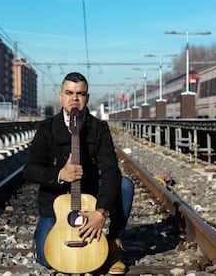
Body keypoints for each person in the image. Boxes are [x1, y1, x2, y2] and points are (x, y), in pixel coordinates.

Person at [23, 72, 134, 274]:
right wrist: (60, 175)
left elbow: (110, 171)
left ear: (87, 98)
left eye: (80, 93)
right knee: (48, 261)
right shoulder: (47, 129)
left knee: (125, 185)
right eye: (69, 92)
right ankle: (43, 233)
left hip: (88, 197)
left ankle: (114, 244)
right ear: (61, 96)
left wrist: (101, 212)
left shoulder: (99, 128)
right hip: (55, 203)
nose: (74, 98)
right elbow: (30, 170)